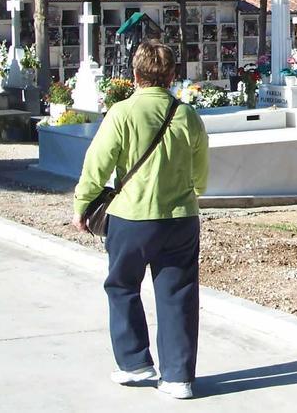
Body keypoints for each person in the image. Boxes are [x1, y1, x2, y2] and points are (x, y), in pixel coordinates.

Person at [71, 40, 209, 400]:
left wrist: (82, 206)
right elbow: (201, 173)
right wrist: (193, 190)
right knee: (178, 294)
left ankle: (134, 362)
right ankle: (178, 377)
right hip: (180, 219)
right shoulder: (187, 115)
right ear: (172, 76)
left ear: (135, 74)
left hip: (131, 218)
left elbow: (97, 165)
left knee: (122, 286)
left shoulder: (122, 113)